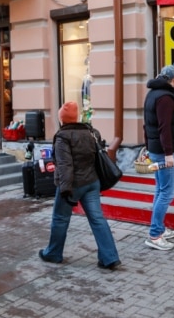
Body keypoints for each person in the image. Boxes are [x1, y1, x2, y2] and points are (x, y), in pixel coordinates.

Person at [39, 101, 121, 269]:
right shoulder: (91, 132)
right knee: (98, 219)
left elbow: (65, 166)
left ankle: (53, 253)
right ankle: (110, 257)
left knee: (60, 218)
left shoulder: (62, 137)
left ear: (62, 119)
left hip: (73, 184)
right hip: (92, 182)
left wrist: (65, 189)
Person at [143, 65, 174, 251]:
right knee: (166, 192)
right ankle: (155, 235)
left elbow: (147, 124)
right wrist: (169, 153)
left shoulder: (153, 94)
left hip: (155, 149)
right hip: (163, 151)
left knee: (160, 190)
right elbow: (165, 128)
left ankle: (159, 228)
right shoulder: (166, 98)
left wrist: (147, 147)